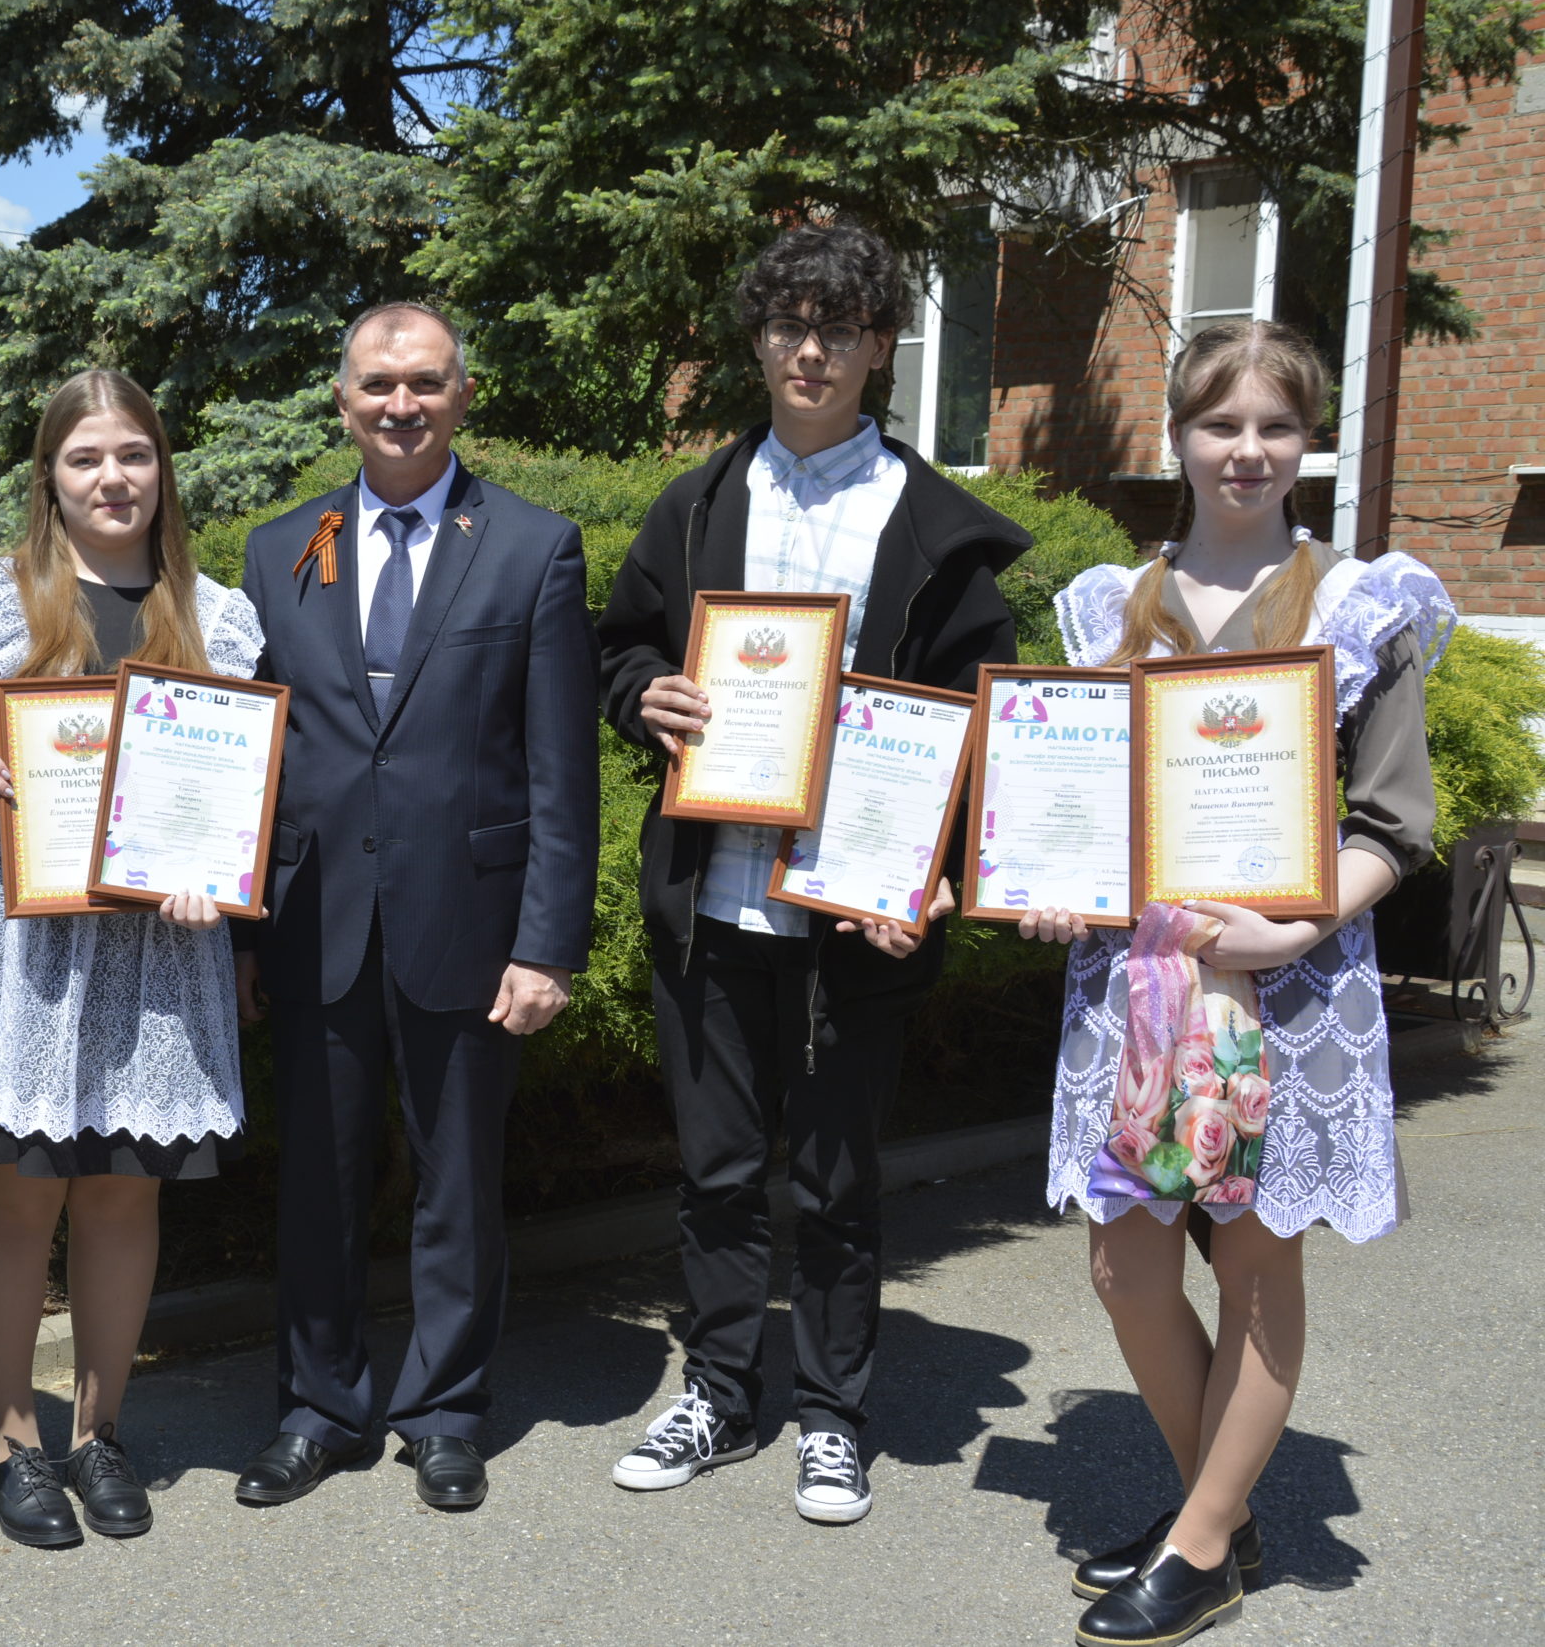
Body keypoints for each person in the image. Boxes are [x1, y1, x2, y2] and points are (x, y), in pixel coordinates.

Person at [1024, 319, 1452, 1647]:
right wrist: (1052, 880)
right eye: (1221, 423)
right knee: (1125, 1262)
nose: (1247, 449)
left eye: (1276, 425)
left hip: (1291, 986)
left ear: (1309, 441)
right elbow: (1074, 799)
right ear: (1179, 437)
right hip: (1139, 986)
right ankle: (1224, 1507)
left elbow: (1394, 822)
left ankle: (1203, 1539)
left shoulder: (1359, 606)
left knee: (1257, 1266)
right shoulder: (1112, 605)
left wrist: (1289, 928)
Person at [596, 223, 1032, 1524]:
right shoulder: (697, 504)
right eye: (788, 325)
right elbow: (618, 648)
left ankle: (833, 1414)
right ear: (758, 340)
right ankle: (723, 1390)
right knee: (717, 1172)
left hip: (855, 914)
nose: (809, 351)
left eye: (838, 328)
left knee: (838, 1181)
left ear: (880, 346)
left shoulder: (932, 528)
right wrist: (643, 694)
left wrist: (940, 869)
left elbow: (981, 726)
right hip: (712, 897)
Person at [231, 301, 599, 1514]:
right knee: (317, 1182)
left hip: (472, 924)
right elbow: (251, 760)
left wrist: (546, 944)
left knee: (459, 1186)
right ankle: (319, 1407)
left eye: (426, 383)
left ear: (463, 394)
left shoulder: (532, 547)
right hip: (313, 920)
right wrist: (240, 932)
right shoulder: (277, 549)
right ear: (342, 399)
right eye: (379, 384)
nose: (402, 405)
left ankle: (444, 1410)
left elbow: (560, 768)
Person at [0, 369, 264, 1548]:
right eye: (86, 458)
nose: (113, 478)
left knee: (120, 1193)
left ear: (163, 469)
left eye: (133, 455)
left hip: (160, 951)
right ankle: (13, 1445)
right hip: (24, 952)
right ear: (49, 478)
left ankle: (101, 1434)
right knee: (15, 1197)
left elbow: (238, 792)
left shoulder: (222, 617)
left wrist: (219, 876)